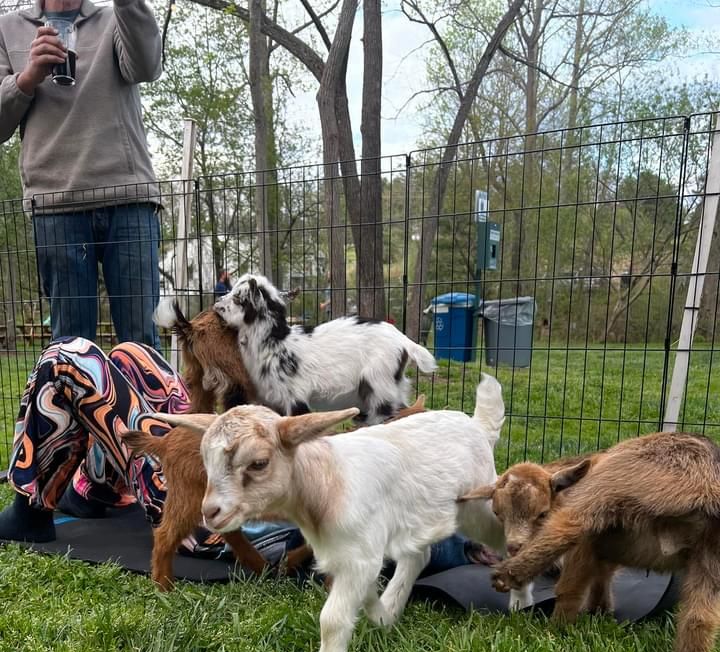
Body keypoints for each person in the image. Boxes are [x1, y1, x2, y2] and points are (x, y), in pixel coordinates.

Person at [0, 336, 488, 577]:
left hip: (210, 489)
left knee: (68, 358)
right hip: (224, 450)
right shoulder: (399, 479)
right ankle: (96, 484)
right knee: (129, 353)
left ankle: (33, 510)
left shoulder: (387, 520)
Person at [0, 0, 163, 347]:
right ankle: (76, 403)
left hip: (129, 198)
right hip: (55, 206)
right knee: (71, 350)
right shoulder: (7, 28)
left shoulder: (115, 16)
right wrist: (27, 78)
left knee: (142, 344)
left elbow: (147, 67)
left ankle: (150, 405)